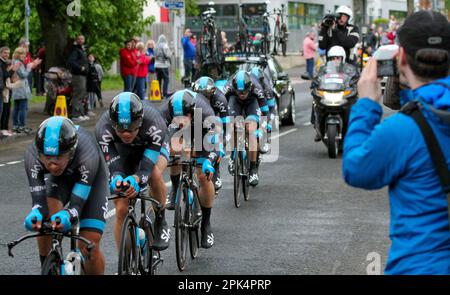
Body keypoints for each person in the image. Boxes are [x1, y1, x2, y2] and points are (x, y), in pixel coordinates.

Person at [342, 10, 450, 274]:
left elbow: (356, 170)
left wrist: (367, 103)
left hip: (420, 265)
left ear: (401, 58)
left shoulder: (401, 130)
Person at [24, 116, 109, 274]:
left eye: (58, 157)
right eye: (47, 158)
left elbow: (77, 206)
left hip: (91, 180)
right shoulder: (32, 154)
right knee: (45, 223)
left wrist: (69, 213)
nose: (52, 164)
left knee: (89, 246)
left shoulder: (86, 151)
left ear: (70, 153)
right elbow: (38, 201)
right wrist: (36, 212)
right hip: (58, 181)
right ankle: (48, 266)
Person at [95, 92, 171, 251]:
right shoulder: (103, 128)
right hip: (123, 151)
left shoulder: (155, 123)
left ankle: (160, 219)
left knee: (154, 173)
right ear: (113, 123)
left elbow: (146, 169)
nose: (126, 133)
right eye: (121, 129)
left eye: (131, 128)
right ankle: (126, 260)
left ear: (140, 121)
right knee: (121, 208)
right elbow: (114, 168)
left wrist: (137, 179)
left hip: (150, 147)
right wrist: (118, 180)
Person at [160, 90, 220, 248]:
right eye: (176, 117)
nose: (180, 121)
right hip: (178, 133)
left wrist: (207, 162)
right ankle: (175, 187)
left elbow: (214, 145)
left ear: (191, 113)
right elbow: (159, 142)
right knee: (175, 154)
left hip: (202, 132)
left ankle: (206, 224)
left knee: (203, 176)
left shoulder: (205, 112)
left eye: (183, 117)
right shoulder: (165, 112)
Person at [223, 70, 269, 186]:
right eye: (239, 91)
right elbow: (221, 107)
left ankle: (253, 169)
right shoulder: (228, 88)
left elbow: (264, 112)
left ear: (249, 87)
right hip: (234, 102)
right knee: (233, 124)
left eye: (244, 91)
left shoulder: (257, 88)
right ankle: (233, 156)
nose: (242, 94)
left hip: (252, 103)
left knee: (251, 129)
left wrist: (263, 129)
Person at [192, 76, 229, 192]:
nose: (202, 99)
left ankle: (216, 170)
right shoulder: (192, 98)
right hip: (198, 118)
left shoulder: (220, 99)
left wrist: (220, 146)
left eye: (206, 96)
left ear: (212, 94)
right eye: (199, 95)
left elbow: (226, 126)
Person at [11, 47, 41, 134]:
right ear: (17, 54)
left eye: (24, 54)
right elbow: (23, 75)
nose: (23, 56)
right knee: (22, 108)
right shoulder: (18, 63)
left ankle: (16, 126)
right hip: (21, 89)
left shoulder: (15, 62)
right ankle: (21, 126)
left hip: (17, 88)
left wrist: (32, 64)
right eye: (21, 54)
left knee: (17, 108)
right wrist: (29, 67)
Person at [67, 34, 89, 122]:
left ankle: (81, 114)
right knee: (78, 95)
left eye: (82, 39)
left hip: (83, 76)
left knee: (82, 95)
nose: (80, 40)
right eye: (79, 39)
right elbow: (71, 61)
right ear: (76, 40)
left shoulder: (82, 49)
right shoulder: (75, 49)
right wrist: (80, 67)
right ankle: (75, 115)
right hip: (78, 76)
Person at [154, 34, 172, 99]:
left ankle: (158, 94)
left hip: (156, 65)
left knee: (159, 79)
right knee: (166, 79)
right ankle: (165, 93)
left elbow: (154, 55)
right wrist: (171, 53)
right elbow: (167, 55)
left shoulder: (156, 46)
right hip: (163, 65)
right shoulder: (165, 45)